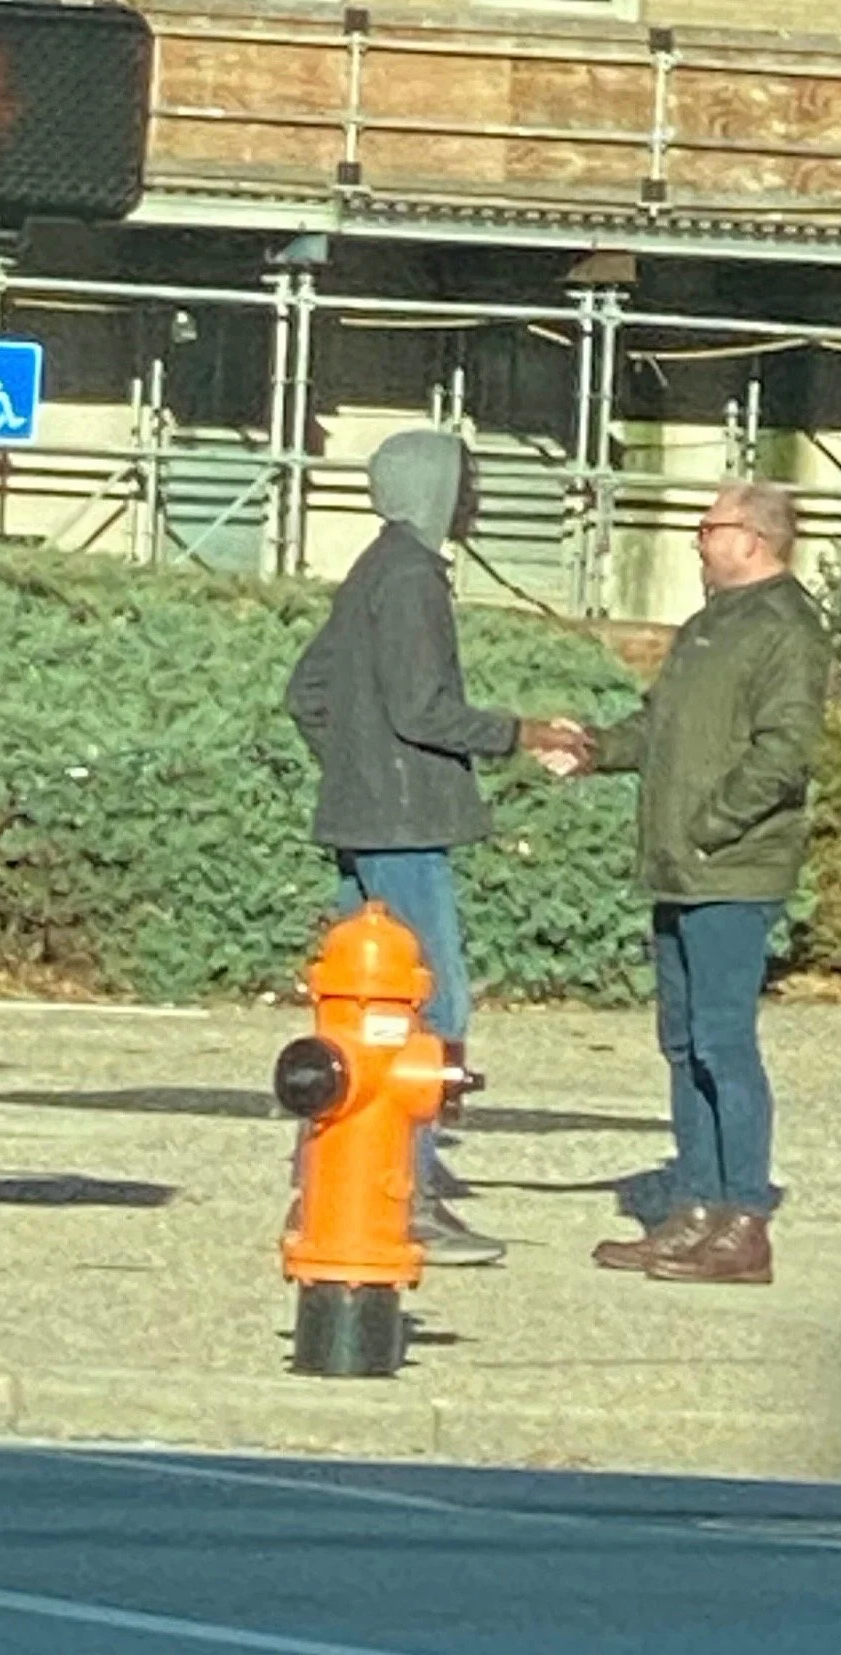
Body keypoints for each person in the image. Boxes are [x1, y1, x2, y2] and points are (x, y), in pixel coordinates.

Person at [285, 428, 588, 1267]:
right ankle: (405, 1194)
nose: (474, 497)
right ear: (433, 489)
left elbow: (307, 692)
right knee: (426, 1008)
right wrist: (521, 732)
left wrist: (353, 768)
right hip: (407, 823)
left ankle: (328, 1177)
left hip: (364, 817)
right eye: (467, 480)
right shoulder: (414, 576)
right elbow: (422, 710)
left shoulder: (372, 567)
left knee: (355, 1005)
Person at [546, 482, 829, 1285]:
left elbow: (784, 751)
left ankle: (743, 1220)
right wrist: (595, 748)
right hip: (679, 866)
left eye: (707, 527)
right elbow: (660, 723)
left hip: (731, 867)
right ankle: (694, 1207)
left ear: (752, 537)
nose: (696, 541)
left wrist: (710, 823)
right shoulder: (709, 624)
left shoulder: (785, 627)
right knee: (681, 1043)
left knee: (721, 1041)